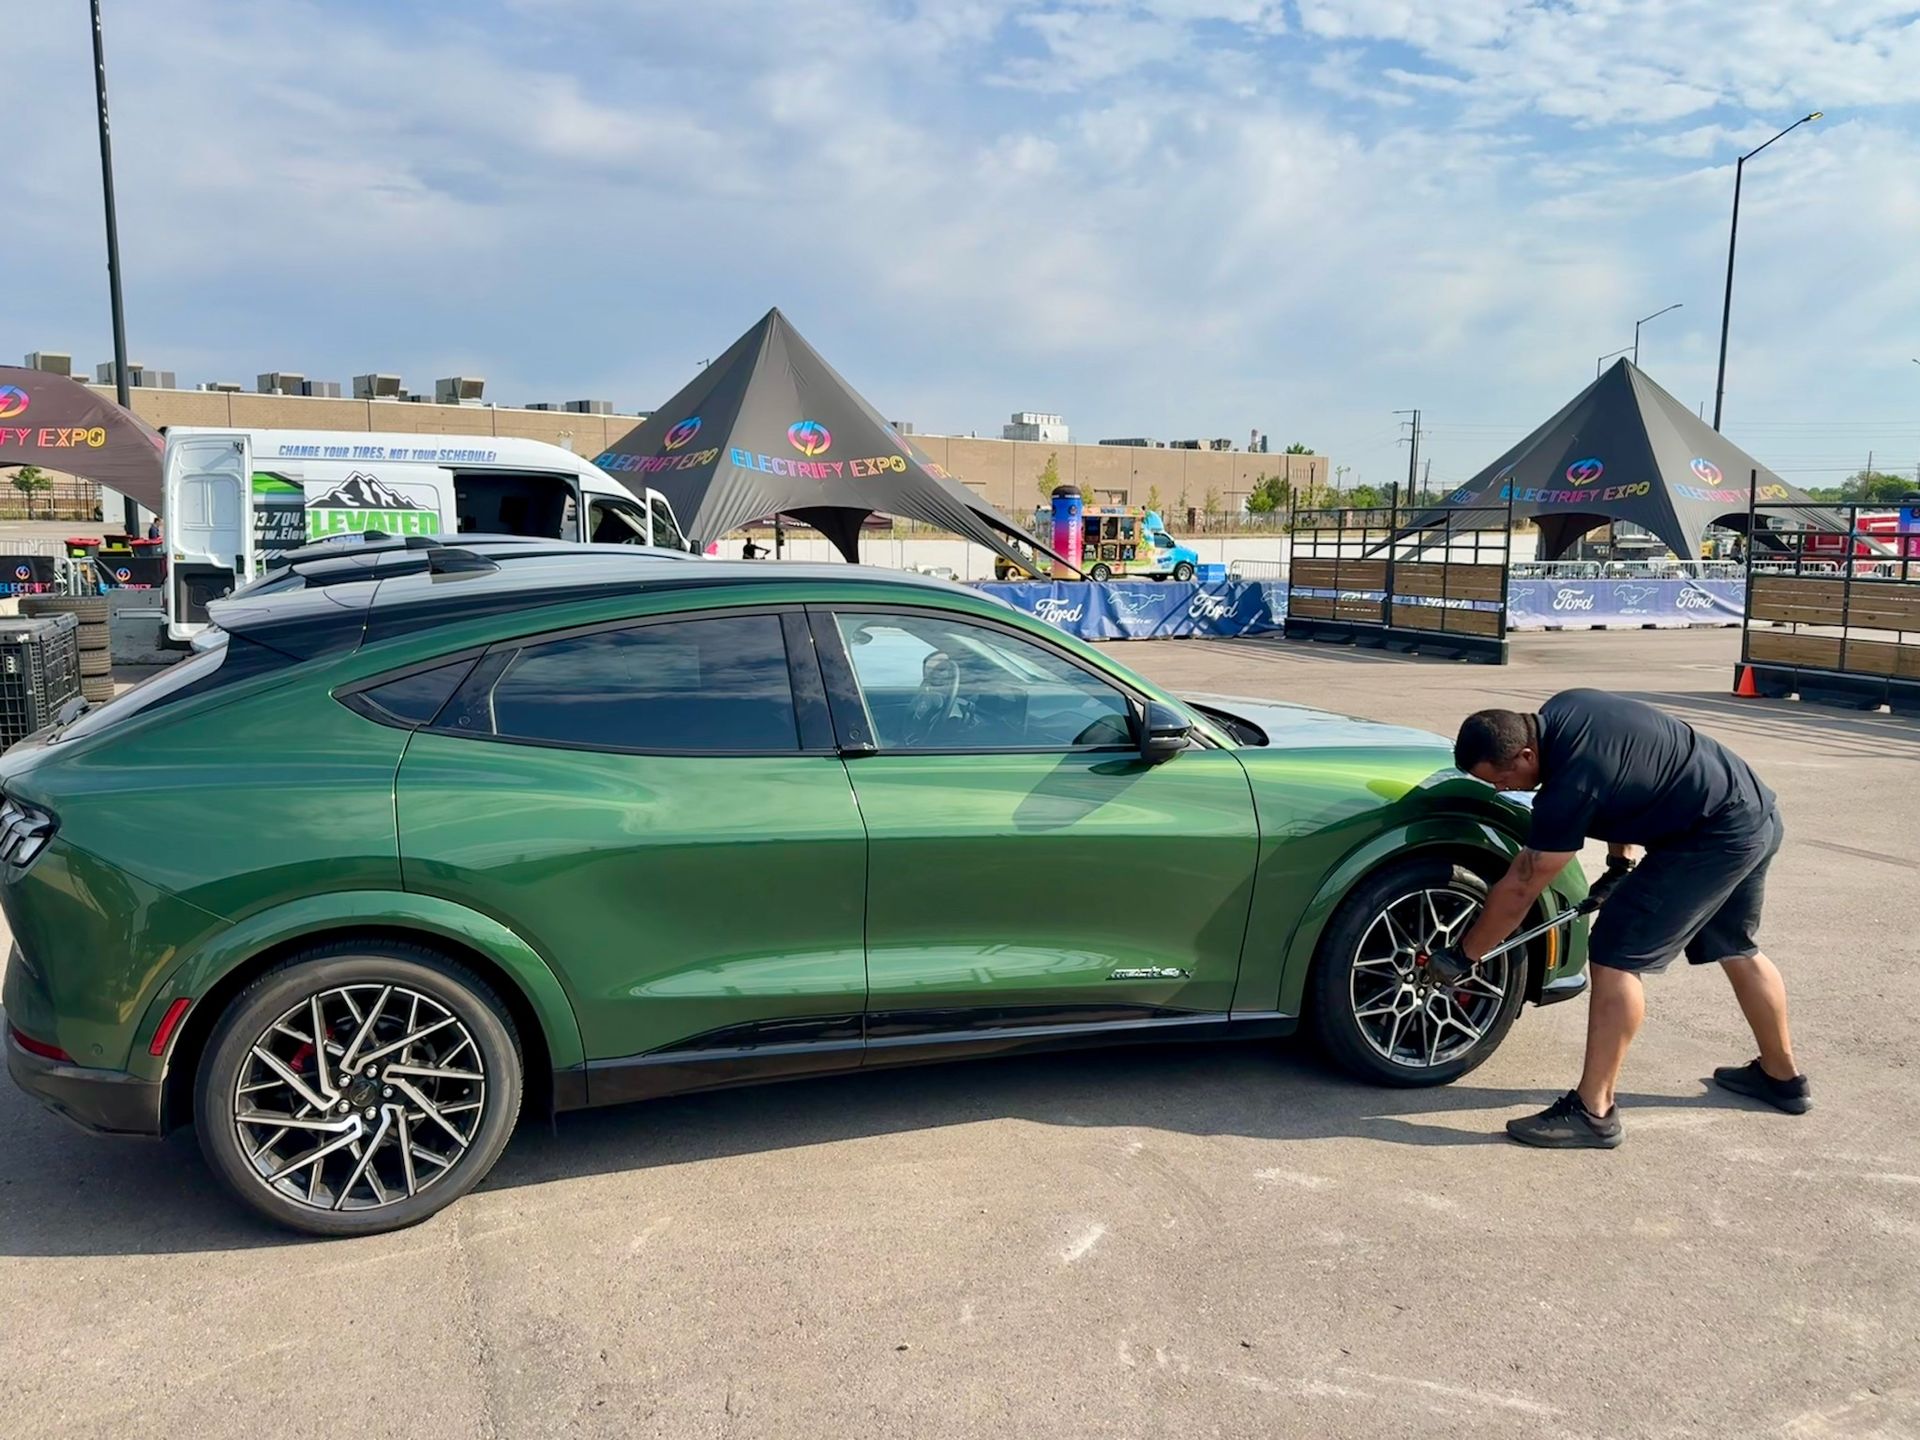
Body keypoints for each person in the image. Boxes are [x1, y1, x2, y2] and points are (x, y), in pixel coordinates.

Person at [1431, 689, 1808, 1149]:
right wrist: (1619, 868)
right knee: (1735, 944)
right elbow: (1629, 775)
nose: (1502, 788)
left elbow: (1520, 888)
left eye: (1504, 777)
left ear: (1526, 753)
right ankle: (1781, 1077)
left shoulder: (1567, 786)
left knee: (1614, 954)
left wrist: (1463, 954)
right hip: (1753, 811)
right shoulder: (1569, 708)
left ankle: (1594, 1111)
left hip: (1712, 837)